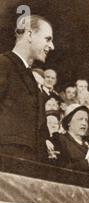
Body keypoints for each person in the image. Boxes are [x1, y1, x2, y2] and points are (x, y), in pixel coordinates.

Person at [0, 15, 54, 161]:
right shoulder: (3, 64)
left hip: (29, 165)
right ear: (29, 34)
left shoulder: (29, 74)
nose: (52, 46)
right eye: (47, 39)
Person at [58, 104, 89, 173]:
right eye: (80, 119)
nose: (84, 123)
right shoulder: (60, 140)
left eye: (86, 120)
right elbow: (60, 170)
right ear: (68, 122)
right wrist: (87, 163)